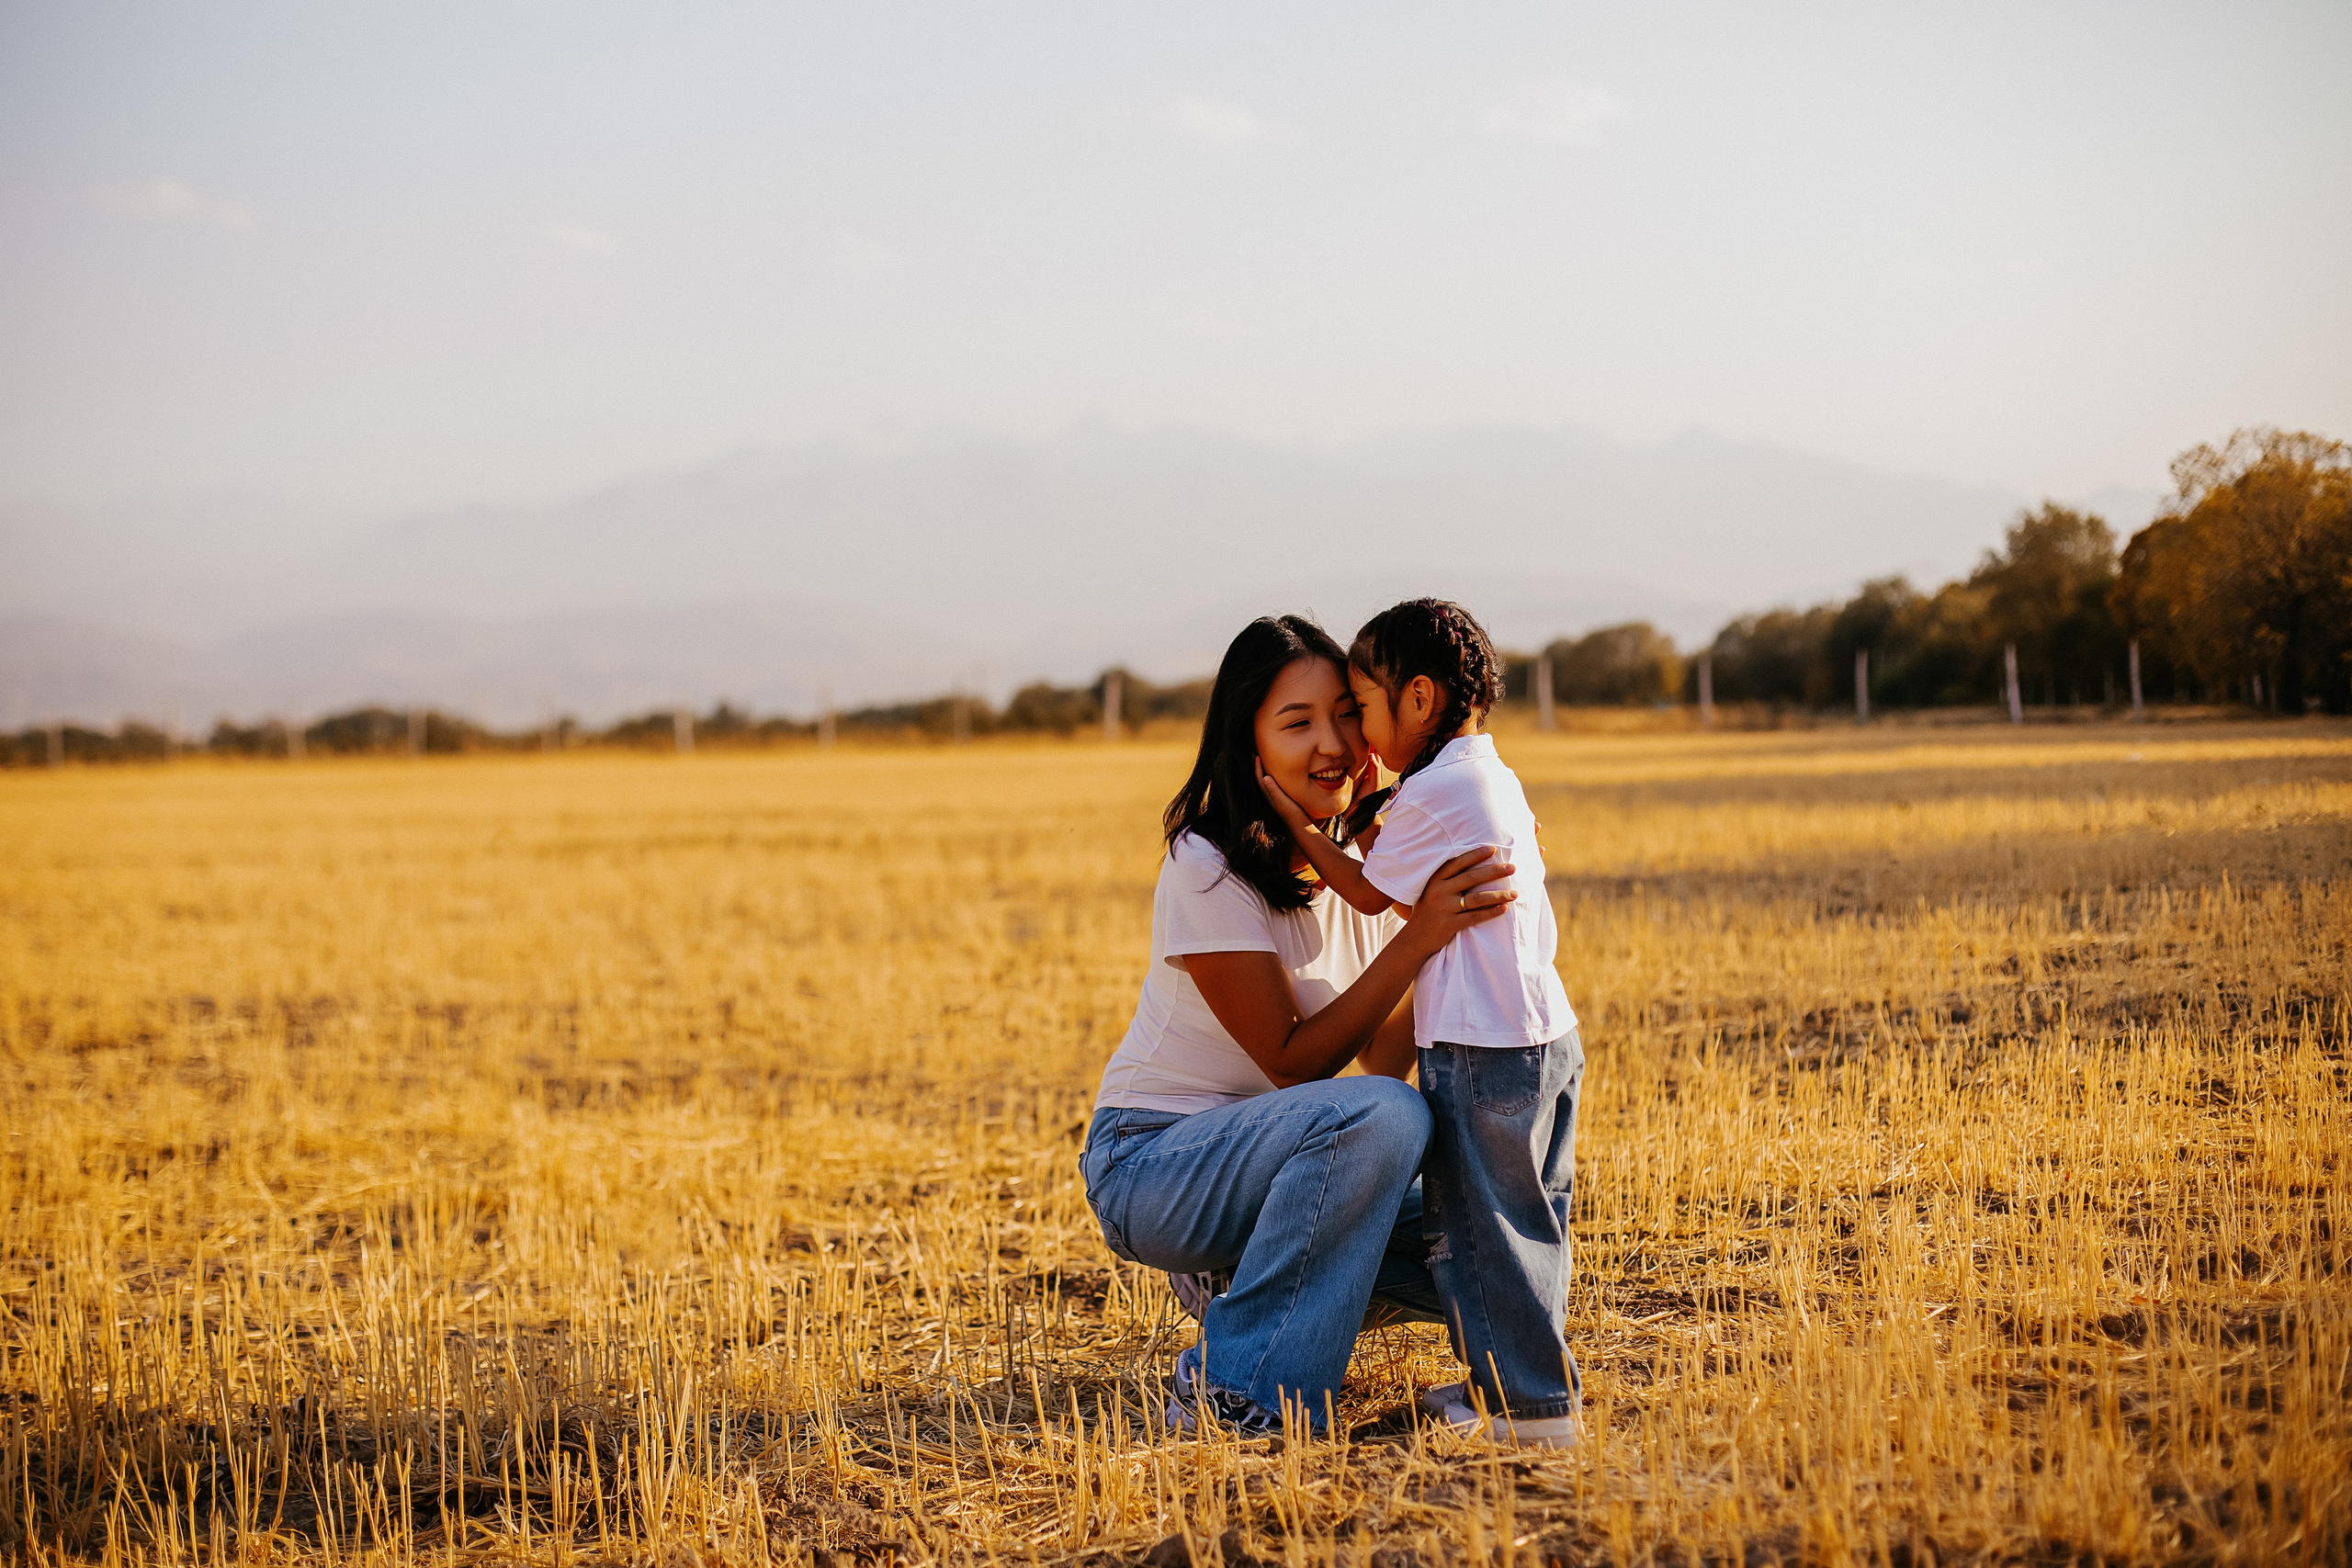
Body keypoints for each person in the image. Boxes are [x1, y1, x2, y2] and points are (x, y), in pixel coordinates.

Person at [1080, 614, 1520, 1437]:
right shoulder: (1205, 864)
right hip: (1153, 1161)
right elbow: (1294, 1065)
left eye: (1348, 713)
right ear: (1245, 740)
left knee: (1491, 1216)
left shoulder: (1368, 868)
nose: (1335, 743)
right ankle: (1236, 1390)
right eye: (1298, 723)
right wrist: (1420, 932)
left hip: (1279, 1173)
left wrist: (1453, 917)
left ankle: (1249, 1285)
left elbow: (1385, 1060)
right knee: (1390, 1119)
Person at [1258, 597, 1584, 1448]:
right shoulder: (1491, 775)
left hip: (1481, 1051)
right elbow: (1397, 839)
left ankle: (1529, 1409)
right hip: (1547, 1037)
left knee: (1478, 1231)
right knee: (1531, 1223)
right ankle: (1519, 1383)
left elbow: (1364, 888)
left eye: (1363, 709)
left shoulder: (1434, 792)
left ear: (1419, 700)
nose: (1359, 740)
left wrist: (1301, 822)